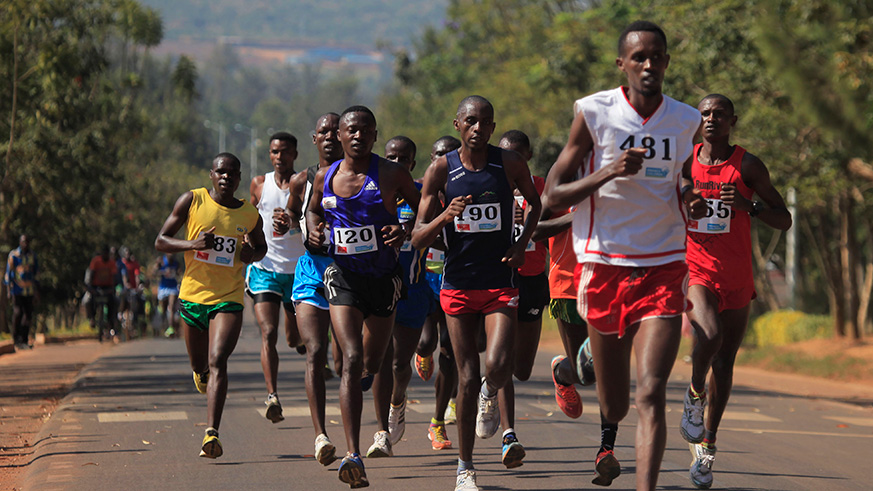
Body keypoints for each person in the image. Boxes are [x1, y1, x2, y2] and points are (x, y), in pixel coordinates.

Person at [542, 21, 707, 491]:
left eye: (657, 56)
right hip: (603, 265)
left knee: (651, 393)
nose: (649, 65)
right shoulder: (595, 113)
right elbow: (553, 194)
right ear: (622, 64)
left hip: (663, 264)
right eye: (639, 57)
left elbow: (683, 177)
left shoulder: (685, 120)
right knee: (614, 406)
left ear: (667, 62)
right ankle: (581, 372)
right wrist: (608, 171)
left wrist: (690, 196)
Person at [412, 96, 541, 491]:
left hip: (500, 280)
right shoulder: (441, 169)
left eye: (486, 121)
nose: (478, 128)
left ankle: (491, 391)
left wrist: (521, 245)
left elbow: (536, 204)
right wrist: (444, 216)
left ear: (493, 125)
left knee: (500, 364)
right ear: (457, 124)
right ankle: (465, 467)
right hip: (459, 284)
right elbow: (418, 235)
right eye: (471, 121)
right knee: (465, 376)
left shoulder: (510, 164)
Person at [305, 105, 420, 488]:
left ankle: (376, 400)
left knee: (373, 362)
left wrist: (404, 229)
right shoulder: (325, 176)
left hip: (384, 278)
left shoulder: (391, 174)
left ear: (374, 135)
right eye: (351, 130)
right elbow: (312, 212)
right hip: (343, 277)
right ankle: (353, 454)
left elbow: (423, 208)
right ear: (339, 135)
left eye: (366, 130)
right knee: (351, 359)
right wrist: (315, 231)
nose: (358, 136)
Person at [681, 93, 792, 489]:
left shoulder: (747, 164)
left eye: (720, 115)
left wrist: (750, 206)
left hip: (738, 277)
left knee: (725, 364)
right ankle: (694, 396)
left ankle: (707, 447)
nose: (712, 120)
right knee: (707, 333)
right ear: (698, 121)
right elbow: (662, 204)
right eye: (706, 114)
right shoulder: (685, 162)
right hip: (697, 270)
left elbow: (785, 218)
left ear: (732, 121)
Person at [155, 152, 266, 459]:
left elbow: (262, 247)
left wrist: (249, 256)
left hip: (228, 297)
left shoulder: (248, 214)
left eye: (232, 173)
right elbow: (161, 240)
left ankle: (211, 434)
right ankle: (199, 371)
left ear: (240, 178)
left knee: (218, 360)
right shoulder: (192, 201)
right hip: (192, 296)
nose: (226, 177)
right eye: (221, 172)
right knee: (200, 364)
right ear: (211, 175)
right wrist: (192, 244)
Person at [284, 112, 344, 466]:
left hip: (351, 271)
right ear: (314, 138)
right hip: (312, 270)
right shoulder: (302, 180)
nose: (330, 137)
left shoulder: (360, 176)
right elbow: (293, 212)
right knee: (315, 351)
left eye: (336, 132)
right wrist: (293, 223)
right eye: (323, 132)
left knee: (348, 359)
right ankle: (321, 435)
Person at [491, 129, 548, 469]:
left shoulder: (540, 188)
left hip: (533, 280)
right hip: (498, 279)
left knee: (522, 369)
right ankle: (508, 433)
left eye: (516, 156)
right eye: (503, 155)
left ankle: (494, 381)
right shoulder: (487, 185)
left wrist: (530, 223)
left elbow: (556, 224)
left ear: (526, 158)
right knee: (500, 360)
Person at [370, 135, 429, 455]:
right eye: (391, 157)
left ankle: (398, 400)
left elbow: (436, 228)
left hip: (414, 291)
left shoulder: (422, 196)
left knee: (399, 365)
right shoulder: (372, 194)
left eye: (403, 159)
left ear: (412, 165)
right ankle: (381, 432)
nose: (396, 163)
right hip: (379, 288)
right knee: (380, 361)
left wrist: (410, 232)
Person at [246, 131, 306, 424]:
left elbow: (315, 219)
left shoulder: (305, 185)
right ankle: (272, 396)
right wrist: (247, 241)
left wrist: (294, 221)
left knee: (294, 337)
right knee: (268, 332)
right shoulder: (259, 184)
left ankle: (300, 342)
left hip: (297, 272)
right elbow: (249, 218)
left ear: (295, 154)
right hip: (265, 269)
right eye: (274, 152)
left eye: (284, 152)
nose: (279, 157)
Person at [416, 135, 462, 451]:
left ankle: (438, 422)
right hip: (423, 279)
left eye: (450, 154)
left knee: (451, 348)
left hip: (457, 278)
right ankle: (421, 352)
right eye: (438, 154)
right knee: (426, 342)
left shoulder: (467, 189)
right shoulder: (419, 190)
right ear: (431, 158)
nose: (444, 159)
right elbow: (414, 231)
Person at [4, 234, 38, 351]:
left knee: (28, 315)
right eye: (23, 242)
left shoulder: (32, 256)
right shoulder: (13, 255)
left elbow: (35, 274)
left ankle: (24, 339)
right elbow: (8, 274)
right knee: (18, 312)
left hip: (29, 291)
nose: (25, 244)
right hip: (16, 290)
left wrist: (36, 291)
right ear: (20, 242)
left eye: (27, 242)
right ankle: (15, 338)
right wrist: (8, 290)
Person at [86, 245, 119, 341]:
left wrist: (113, 288)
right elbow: (91, 275)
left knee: (114, 302)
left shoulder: (112, 263)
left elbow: (114, 277)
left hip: (108, 288)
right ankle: (92, 318)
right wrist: (91, 288)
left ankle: (111, 321)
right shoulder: (96, 261)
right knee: (88, 301)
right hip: (96, 288)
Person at [154, 253, 182, 337]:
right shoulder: (161, 261)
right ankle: (164, 324)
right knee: (163, 308)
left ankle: (171, 327)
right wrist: (157, 266)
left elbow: (178, 273)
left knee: (172, 306)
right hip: (163, 288)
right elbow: (154, 273)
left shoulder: (176, 263)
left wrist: (178, 272)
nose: (171, 254)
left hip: (172, 287)